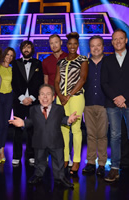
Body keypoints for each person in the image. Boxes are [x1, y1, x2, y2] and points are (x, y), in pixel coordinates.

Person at [9, 84, 80, 188]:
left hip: (55, 141)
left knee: (58, 161)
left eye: (48, 94)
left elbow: (62, 119)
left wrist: (69, 120)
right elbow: (31, 121)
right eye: (42, 94)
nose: (45, 97)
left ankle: (60, 178)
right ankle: (38, 175)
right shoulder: (33, 109)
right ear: (38, 97)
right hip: (40, 141)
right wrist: (23, 123)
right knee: (39, 160)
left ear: (53, 97)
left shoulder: (59, 109)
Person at [55, 32, 88, 175]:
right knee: (63, 130)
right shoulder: (61, 61)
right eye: (70, 44)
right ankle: (65, 159)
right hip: (61, 98)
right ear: (66, 45)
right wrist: (61, 96)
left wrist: (68, 95)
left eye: (75, 44)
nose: (72, 46)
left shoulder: (83, 59)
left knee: (76, 129)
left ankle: (76, 161)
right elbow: (56, 81)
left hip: (76, 97)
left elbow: (83, 79)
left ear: (78, 45)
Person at [101, 29, 129, 182]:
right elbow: (104, 82)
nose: (118, 41)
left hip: (128, 101)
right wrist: (116, 98)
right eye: (115, 39)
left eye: (121, 38)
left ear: (126, 40)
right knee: (115, 136)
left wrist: (124, 97)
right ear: (112, 42)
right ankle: (114, 168)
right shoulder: (107, 60)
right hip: (112, 104)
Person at [11, 40, 44, 165]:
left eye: (28, 47)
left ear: (32, 50)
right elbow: (14, 82)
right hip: (19, 101)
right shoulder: (15, 63)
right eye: (24, 47)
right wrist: (21, 98)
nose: (26, 49)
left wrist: (32, 98)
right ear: (21, 49)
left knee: (32, 129)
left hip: (33, 101)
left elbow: (39, 81)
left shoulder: (37, 63)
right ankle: (16, 156)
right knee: (17, 130)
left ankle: (31, 154)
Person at [82, 36, 108, 176]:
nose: (95, 48)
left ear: (103, 47)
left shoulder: (109, 62)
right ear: (89, 48)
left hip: (104, 104)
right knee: (91, 135)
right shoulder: (85, 64)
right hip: (88, 103)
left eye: (98, 45)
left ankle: (102, 164)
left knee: (102, 135)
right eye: (92, 46)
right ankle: (91, 162)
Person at [0, 47, 16, 163]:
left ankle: (2, 149)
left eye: (11, 56)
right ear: (4, 55)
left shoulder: (12, 69)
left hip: (9, 97)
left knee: (6, 125)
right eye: (8, 54)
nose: (9, 57)